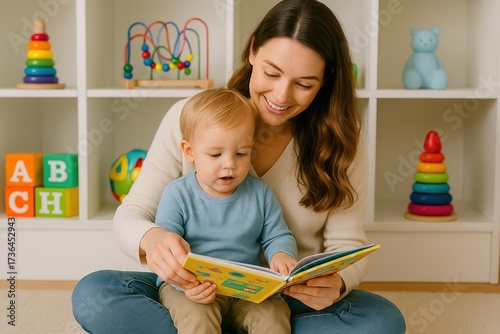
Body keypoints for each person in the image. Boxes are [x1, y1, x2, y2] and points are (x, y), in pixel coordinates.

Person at [72, 0, 406, 333]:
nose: (281, 94)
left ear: (326, 80)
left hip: (280, 297)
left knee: (382, 321)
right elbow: (132, 212)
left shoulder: (340, 141)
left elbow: (347, 246)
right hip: (193, 289)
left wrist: (337, 282)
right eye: (271, 73)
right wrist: (153, 239)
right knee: (95, 295)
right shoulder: (189, 117)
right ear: (252, 52)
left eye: (304, 84)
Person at [156, 88, 298, 333]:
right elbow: (168, 252)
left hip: (245, 290)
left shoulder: (260, 192)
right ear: (189, 152)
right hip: (190, 288)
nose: (230, 164)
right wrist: (186, 285)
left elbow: (278, 235)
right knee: (198, 318)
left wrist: (281, 255)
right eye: (215, 154)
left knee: (274, 314)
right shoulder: (177, 194)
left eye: (241, 153)